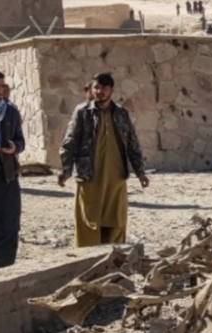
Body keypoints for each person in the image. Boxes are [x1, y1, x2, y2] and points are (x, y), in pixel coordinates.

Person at [59, 73, 149, 247]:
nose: (99, 92)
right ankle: (87, 256)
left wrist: (140, 173)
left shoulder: (121, 114)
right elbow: (70, 141)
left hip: (116, 178)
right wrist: (66, 169)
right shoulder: (82, 112)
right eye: (96, 88)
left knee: (115, 219)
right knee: (89, 219)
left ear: (111, 91)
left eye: (104, 88)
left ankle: (113, 255)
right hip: (89, 177)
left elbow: (132, 144)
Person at [0, 71, 25, 270]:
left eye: (2, 85)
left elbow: (20, 140)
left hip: (5, 174)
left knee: (8, 224)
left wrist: (13, 147)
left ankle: (6, 268)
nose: (0, 89)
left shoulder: (9, 111)